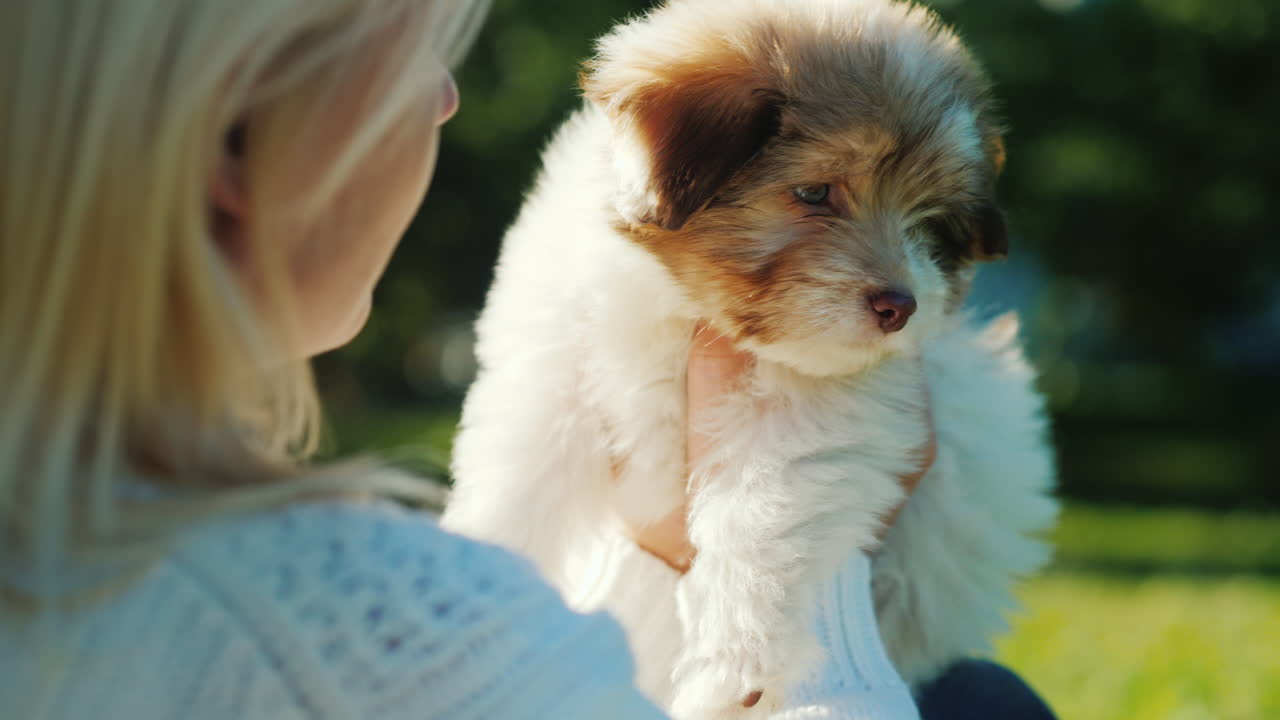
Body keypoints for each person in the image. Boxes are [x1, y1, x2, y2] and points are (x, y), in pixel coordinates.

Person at [0, 1, 1053, 718]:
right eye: (419, 57)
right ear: (231, 143)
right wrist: (808, 618)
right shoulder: (381, 640)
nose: (449, 100)